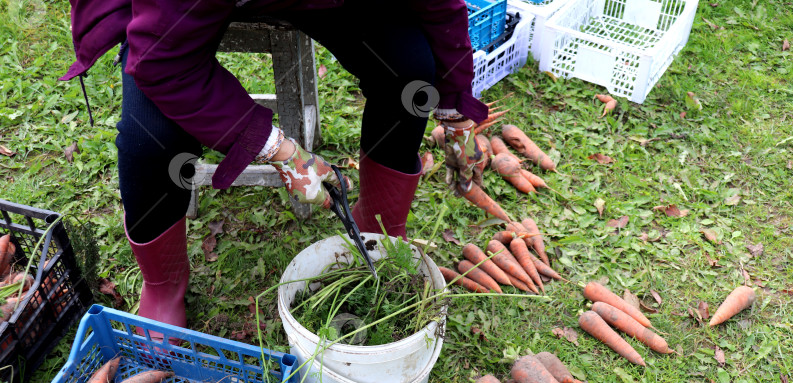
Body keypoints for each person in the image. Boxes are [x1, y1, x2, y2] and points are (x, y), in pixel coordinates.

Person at [61, 0, 488, 329]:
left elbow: (438, 6)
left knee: (409, 69)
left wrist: (456, 108)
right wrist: (279, 150)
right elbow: (164, 62)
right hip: (170, 16)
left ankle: (379, 230)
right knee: (150, 137)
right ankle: (164, 284)